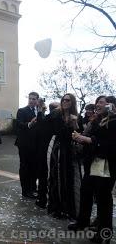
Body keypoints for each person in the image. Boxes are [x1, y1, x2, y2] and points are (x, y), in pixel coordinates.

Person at [69, 96, 116, 243]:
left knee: (103, 199)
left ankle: (104, 233)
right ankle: (82, 222)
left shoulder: (114, 121)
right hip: (93, 163)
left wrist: (86, 140)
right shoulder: (98, 120)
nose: (98, 105)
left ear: (111, 106)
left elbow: (108, 143)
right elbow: (90, 134)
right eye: (98, 102)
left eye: (102, 103)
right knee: (86, 191)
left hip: (106, 165)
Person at [46, 93, 81, 219]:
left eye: (67, 100)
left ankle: (69, 209)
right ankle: (56, 208)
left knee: (69, 178)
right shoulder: (56, 114)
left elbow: (78, 133)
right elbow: (46, 124)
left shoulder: (76, 116)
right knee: (56, 176)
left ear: (72, 102)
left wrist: (74, 123)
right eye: (63, 100)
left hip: (69, 150)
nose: (65, 102)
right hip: (57, 148)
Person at [15, 92, 40, 198]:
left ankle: (33, 188)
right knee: (25, 167)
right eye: (30, 98)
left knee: (34, 167)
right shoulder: (22, 110)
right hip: (24, 144)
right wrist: (30, 123)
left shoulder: (39, 112)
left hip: (36, 144)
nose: (31, 100)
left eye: (34, 99)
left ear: (37, 100)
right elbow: (19, 124)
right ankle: (25, 191)